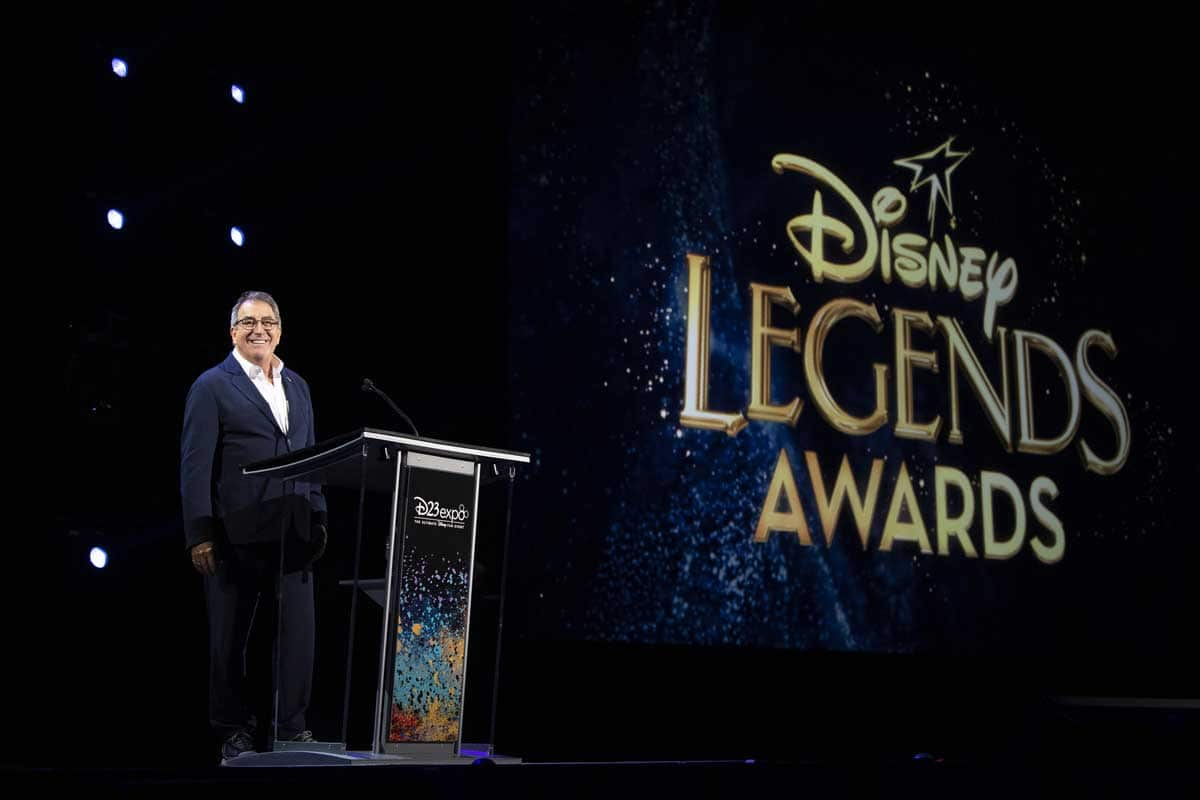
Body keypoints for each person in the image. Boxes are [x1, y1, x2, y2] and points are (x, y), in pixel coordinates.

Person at [180, 290, 327, 764]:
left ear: (280, 330)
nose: (258, 329)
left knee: (298, 637)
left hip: (294, 533)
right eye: (247, 322)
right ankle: (232, 729)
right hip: (235, 534)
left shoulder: (298, 385)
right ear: (232, 332)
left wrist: (319, 513)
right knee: (230, 640)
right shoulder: (212, 385)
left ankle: (291, 729)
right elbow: (195, 466)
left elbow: (312, 456)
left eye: (267, 321)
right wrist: (199, 532)